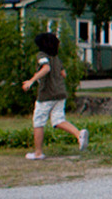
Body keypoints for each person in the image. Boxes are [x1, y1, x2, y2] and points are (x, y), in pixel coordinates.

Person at [20, 31, 86, 160]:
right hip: (60, 93)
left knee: (38, 121)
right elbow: (64, 74)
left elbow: (46, 68)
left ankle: (38, 153)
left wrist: (31, 81)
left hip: (47, 94)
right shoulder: (56, 59)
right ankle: (79, 134)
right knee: (58, 120)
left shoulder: (42, 56)